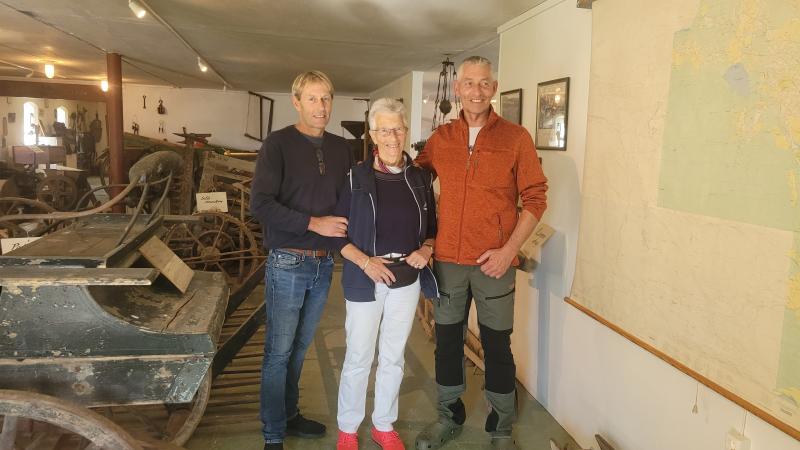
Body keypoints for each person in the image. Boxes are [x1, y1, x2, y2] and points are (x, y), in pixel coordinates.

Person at [414, 56, 548, 450]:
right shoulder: (441, 139)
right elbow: (414, 183)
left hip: (495, 263)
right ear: (457, 89)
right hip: (448, 262)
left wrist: (509, 251)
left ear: (494, 88)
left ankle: (501, 426)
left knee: (497, 345)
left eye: (484, 83)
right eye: (469, 83)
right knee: (447, 343)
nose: (477, 90)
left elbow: (536, 198)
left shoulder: (515, 138)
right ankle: (448, 416)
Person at [250, 70, 354, 450]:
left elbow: (351, 201)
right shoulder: (277, 145)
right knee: (278, 352)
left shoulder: (342, 148)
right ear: (296, 102)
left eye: (326, 98)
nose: (320, 106)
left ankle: (289, 414)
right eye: (312, 98)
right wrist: (313, 223)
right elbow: (260, 204)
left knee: (299, 348)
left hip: (324, 264)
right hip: (288, 263)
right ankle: (273, 433)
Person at [333, 98, 438, 450]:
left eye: (398, 129)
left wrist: (426, 249)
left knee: (393, 356)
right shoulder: (355, 177)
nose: (392, 137)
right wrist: (366, 262)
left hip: (406, 279)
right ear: (373, 135)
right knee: (358, 356)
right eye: (384, 130)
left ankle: (383, 425)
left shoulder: (420, 178)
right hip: (365, 278)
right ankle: (348, 430)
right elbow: (338, 236)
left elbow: (432, 229)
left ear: (405, 131)